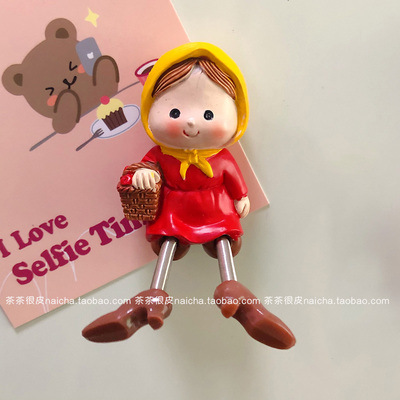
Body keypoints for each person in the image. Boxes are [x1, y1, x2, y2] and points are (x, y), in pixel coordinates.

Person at [82, 42, 295, 349]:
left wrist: (241, 197)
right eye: (175, 112)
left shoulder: (220, 157)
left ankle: (239, 300)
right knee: (168, 243)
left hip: (217, 210)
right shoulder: (160, 155)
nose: (191, 122)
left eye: (209, 113)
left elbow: (234, 178)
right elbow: (141, 171)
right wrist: (143, 175)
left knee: (222, 241)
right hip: (174, 212)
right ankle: (147, 304)